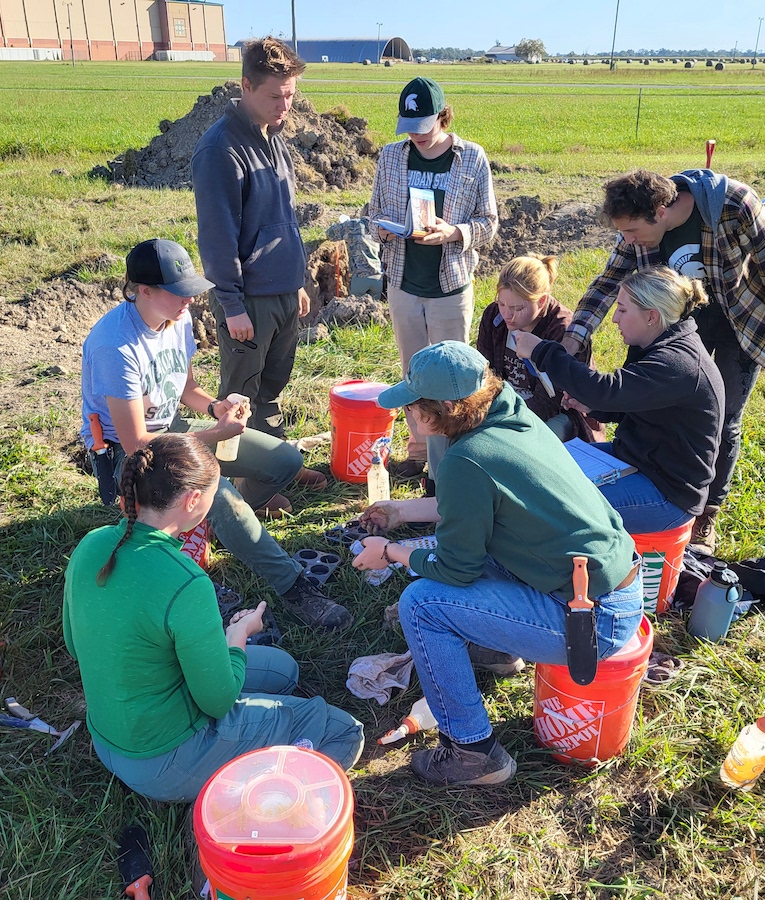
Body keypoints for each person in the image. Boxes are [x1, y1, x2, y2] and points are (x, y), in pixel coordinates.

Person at [351, 342, 641, 788]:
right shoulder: (511, 416)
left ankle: (472, 752)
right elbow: (482, 505)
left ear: (444, 408)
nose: (405, 416)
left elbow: (454, 568)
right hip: (607, 584)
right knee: (478, 554)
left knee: (422, 604)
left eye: (412, 407)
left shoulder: (466, 460)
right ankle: (500, 649)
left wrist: (389, 552)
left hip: (592, 621)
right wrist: (402, 512)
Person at [63, 434, 364, 802]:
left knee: (283, 671)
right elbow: (218, 702)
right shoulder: (185, 581)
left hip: (110, 741)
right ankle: (268, 807)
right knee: (343, 730)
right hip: (168, 761)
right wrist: (238, 634)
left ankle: (250, 743)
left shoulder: (91, 544)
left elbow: (74, 644)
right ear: (192, 500)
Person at [80, 237, 353, 630]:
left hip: (170, 430)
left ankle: (229, 525)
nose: (189, 301)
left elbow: (186, 389)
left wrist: (215, 407)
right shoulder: (115, 345)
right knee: (218, 494)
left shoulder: (177, 319)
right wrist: (215, 435)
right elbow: (137, 443)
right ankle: (293, 585)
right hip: (131, 455)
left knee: (285, 461)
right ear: (143, 291)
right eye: (179, 293)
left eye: (190, 290)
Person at [562, 169, 765, 552]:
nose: (627, 241)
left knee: (724, 419)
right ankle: (642, 471)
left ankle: (705, 513)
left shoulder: (735, 205)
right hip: (678, 318)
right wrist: (576, 335)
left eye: (632, 232)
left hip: (740, 315)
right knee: (651, 399)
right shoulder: (640, 224)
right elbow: (609, 281)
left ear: (660, 212)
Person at [511, 267, 725, 535]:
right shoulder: (657, 345)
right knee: (540, 467)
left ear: (651, 316)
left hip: (667, 494)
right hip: (638, 462)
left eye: (622, 310)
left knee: (550, 506)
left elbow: (605, 390)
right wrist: (594, 407)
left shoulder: (677, 363)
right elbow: (631, 403)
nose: (614, 319)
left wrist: (542, 350)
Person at [191, 37, 321, 465]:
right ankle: (234, 484)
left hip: (283, 293)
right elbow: (216, 237)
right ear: (245, 86)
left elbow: (285, 218)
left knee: (273, 389)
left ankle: (271, 469)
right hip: (249, 301)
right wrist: (231, 304)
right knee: (240, 399)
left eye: (290, 95)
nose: (285, 105)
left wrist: (297, 283)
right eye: (274, 95)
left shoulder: (275, 137)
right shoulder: (220, 150)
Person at [368, 76, 498, 480]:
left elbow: (489, 224)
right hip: (404, 281)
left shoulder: (471, 158)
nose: (416, 137)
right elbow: (372, 214)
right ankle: (419, 450)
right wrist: (383, 229)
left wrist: (455, 233)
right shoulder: (391, 157)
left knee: (452, 377)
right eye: (409, 127)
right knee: (413, 372)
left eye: (423, 126)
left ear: (443, 117)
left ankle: (452, 460)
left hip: (450, 283)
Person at [476, 254, 600, 443]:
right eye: (502, 304)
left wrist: (503, 421)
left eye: (517, 308)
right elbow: (486, 373)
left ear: (541, 302)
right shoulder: (494, 316)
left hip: (561, 414)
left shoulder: (564, 332)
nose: (508, 314)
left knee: (529, 444)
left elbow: (551, 400)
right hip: (504, 406)